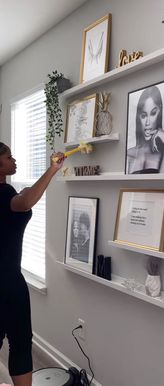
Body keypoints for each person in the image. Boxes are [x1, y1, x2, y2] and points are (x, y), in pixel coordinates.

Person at [0, 142, 65, 386]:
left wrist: (22, 194)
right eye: (9, 157)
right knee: (20, 342)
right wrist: (52, 169)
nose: (14, 160)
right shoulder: (5, 194)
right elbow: (24, 204)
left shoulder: (8, 194)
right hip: (7, 282)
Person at [126, 85, 164, 174]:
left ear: (160, 112)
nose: (147, 122)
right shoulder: (129, 154)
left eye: (153, 113)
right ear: (138, 118)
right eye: (143, 116)